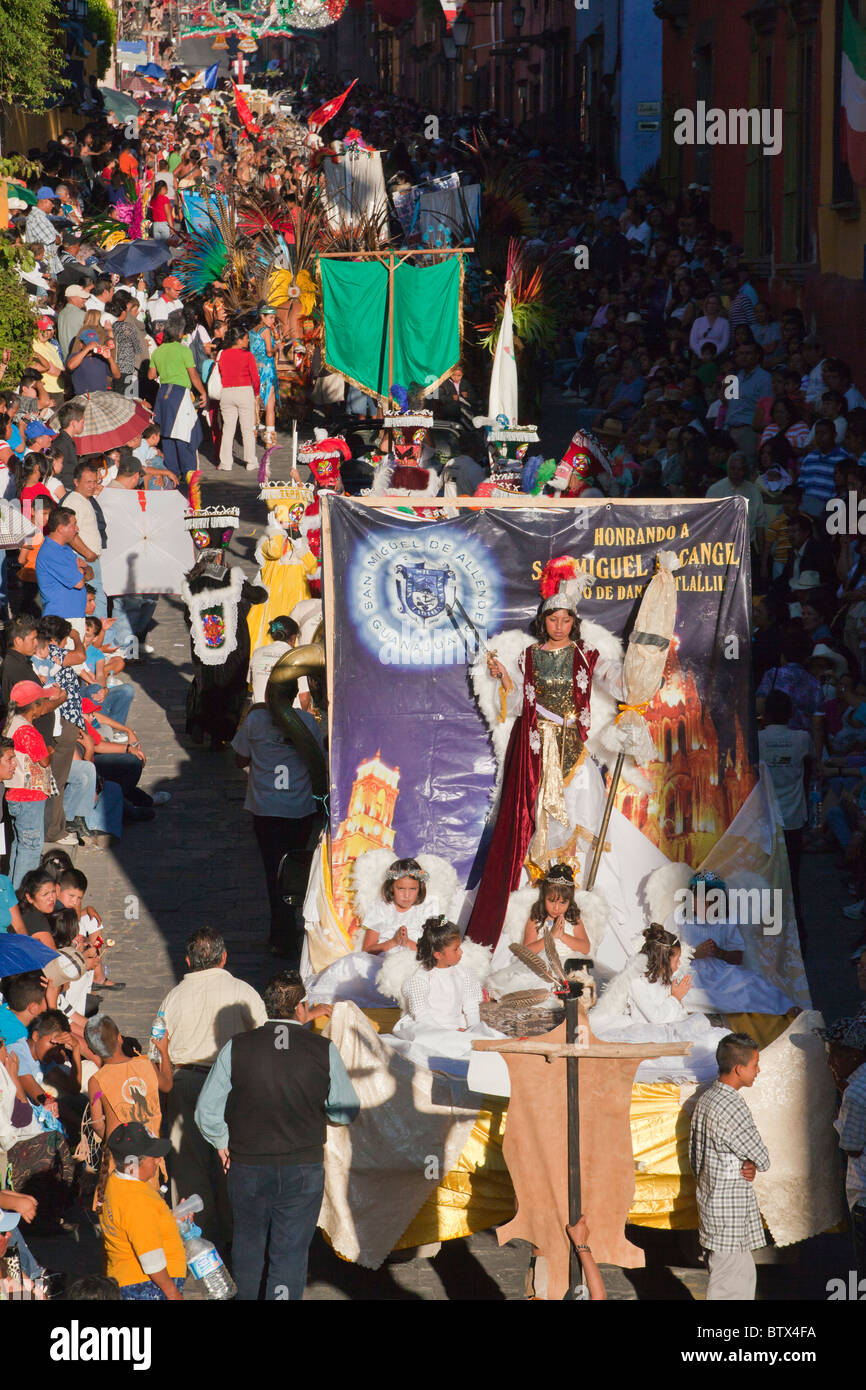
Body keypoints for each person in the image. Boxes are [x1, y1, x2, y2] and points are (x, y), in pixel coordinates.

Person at [194, 969, 359, 1301]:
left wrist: (223, 1144)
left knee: (248, 1249)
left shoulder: (236, 1048)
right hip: (302, 1169)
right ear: (301, 1007)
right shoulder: (322, 1050)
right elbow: (345, 1109)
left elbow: (206, 1112)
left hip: (247, 1167)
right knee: (290, 1254)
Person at [158, 926, 266, 1248]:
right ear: (224, 958)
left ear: (189, 961)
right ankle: (238, 1236)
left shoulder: (173, 997)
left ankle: (197, 1242)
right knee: (231, 1159)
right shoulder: (243, 992)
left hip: (184, 1083)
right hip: (232, 1086)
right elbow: (264, 1038)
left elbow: (157, 1047)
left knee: (188, 1165)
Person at [232, 689, 324, 960]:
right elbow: (317, 761)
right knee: (295, 869)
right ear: (294, 694)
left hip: (267, 811)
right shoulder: (307, 722)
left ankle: (281, 932)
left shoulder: (256, 721)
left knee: (274, 872)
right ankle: (292, 926)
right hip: (300, 809)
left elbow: (239, 759)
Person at [688, 1032, 770, 1300]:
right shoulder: (730, 1105)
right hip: (729, 1216)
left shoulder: (709, 1097)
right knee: (731, 1290)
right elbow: (762, 1156)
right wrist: (752, 1161)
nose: (758, 1070)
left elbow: (698, 1157)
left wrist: (747, 1162)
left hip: (716, 1207)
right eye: (755, 1064)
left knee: (737, 1282)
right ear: (738, 1068)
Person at [386, 916, 504, 1072]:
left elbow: (471, 1007)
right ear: (438, 954)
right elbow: (421, 1014)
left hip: (458, 1026)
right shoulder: (421, 979)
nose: (461, 952)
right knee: (446, 1045)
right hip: (430, 1028)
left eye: (459, 947)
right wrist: (449, 1033)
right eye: (455, 949)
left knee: (488, 1040)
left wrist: (473, 1029)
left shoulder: (464, 974)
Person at [99, 1121, 186, 1301]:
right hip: (147, 1286)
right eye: (152, 1156)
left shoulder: (117, 1184)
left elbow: (138, 1229)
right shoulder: (136, 1200)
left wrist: (173, 1221)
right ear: (132, 1163)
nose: (158, 1160)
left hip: (126, 1280)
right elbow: (151, 1258)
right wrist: (172, 1293)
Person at [149, 311, 207, 480]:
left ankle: (172, 474)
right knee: (184, 434)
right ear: (180, 333)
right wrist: (203, 392)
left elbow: (151, 375)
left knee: (167, 434)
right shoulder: (183, 351)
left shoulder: (158, 352)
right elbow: (193, 375)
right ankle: (189, 472)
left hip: (163, 395)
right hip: (180, 394)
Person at [216, 323, 261, 472]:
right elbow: (255, 377)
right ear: (239, 340)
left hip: (227, 392)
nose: (248, 341)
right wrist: (256, 393)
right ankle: (250, 461)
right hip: (244, 391)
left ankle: (226, 462)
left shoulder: (222, 354)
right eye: (246, 338)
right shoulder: (248, 355)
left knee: (228, 429)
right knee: (247, 429)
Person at [35, 507, 91, 621]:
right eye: (73, 525)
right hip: (60, 618)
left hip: (74, 615)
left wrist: (83, 569)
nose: (77, 529)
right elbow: (79, 583)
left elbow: (90, 574)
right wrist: (82, 570)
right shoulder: (50, 552)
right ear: (60, 528)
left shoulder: (65, 548)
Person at [249, 304, 281, 448]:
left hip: (254, 368)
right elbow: (269, 352)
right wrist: (278, 347)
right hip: (267, 369)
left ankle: (253, 435)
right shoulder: (266, 330)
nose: (273, 320)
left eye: (274, 317)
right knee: (269, 403)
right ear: (262, 316)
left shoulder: (251, 331)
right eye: (271, 317)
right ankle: (269, 440)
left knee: (255, 402)